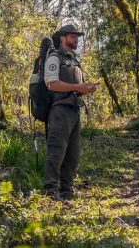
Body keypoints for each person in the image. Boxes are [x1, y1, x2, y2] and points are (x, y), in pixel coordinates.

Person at [42, 23, 97, 200]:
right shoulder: (54, 57)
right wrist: (76, 86)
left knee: (73, 154)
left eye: (76, 36)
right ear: (62, 38)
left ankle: (67, 191)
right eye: (72, 36)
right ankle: (50, 192)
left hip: (75, 110)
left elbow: (77, 87)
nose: (76, 39)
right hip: (59, 111)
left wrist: (86, 89)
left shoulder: (74, 60)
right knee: (56, 152)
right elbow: (51, 84)